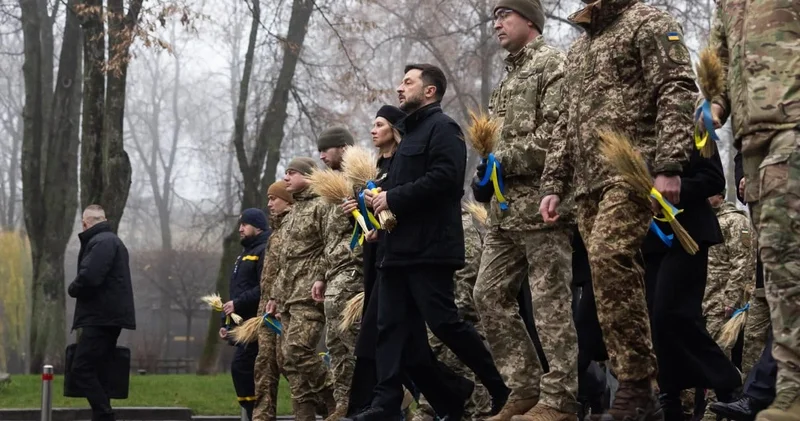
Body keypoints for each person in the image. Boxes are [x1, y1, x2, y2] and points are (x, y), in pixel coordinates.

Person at [538, 0, 699, 418]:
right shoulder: (579, 50)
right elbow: (564, 123)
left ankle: (636, 383)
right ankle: (649, 388)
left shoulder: (649, 21)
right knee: (611, 286)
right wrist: (554, 183)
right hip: (587, 187)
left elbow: (677, 87)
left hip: (633, 172)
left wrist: (669, 164)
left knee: (611, 260)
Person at [350, 63, 509, 421]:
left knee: (445, 324)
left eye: (408, 82)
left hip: (429, 250)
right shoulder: (408, 138)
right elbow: (402, 189)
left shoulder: (444, 129)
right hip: (396, 251)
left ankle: (498, 387)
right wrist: (380, 200)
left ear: (430, 91)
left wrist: (393, 197)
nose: (399, 88)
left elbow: (447, 181)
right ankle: (385, 402)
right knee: (389, 328)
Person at [470, 1, 577, 420]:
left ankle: (561, 399)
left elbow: (558, 136)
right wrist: (486, 173)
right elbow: (496, 144)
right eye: (495, 16)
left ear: (529, 21)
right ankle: (525, 388)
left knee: (550, 304)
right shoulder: (508, 75)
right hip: (504, 213)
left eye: (504, 16)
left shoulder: (553, 64)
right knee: (488, 295)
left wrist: (505, 160)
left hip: (543, 209)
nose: (496, 23)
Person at [701, 2, 800, 419]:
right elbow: (719, 63)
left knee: (788, 258)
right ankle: (785, 391)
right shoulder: (728, 4)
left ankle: (790, 393)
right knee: (776, 269)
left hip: (792, 127)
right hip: (752, 139)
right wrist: (715, 106)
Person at [641, 149, 741, 421]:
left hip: (689, 233)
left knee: (674, 313)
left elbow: (713, 178)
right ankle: (670, 398)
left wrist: (672, 188)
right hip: (650, 239)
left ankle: (728, 383)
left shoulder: (688, 118)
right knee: (656, 322)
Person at [265, 157, 337, 421]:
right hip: (288, 297)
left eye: (291, 172)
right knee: (290, 364)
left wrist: (320, 277)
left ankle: (333, 397)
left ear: (307, 176)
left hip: (308, 294)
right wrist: (275, 296)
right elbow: (286, 260)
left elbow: (330, 246)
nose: (286, 178)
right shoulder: (295, 212)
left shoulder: (321, 206)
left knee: (298, 349)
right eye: (285, 172)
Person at [67, 205, 136, 421]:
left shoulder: (101, 242)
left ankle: (105, 416)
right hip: (109, 316)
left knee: (81, 369)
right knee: (99, 369)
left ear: (85, 223)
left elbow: (90, 277)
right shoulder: (111, 240)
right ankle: (101, 416)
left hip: (101, 318)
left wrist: (73, 288)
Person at [219, 208, 269, 420]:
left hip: (257, 323)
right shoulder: (244, 254)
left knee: (242, 367)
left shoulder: (262, 251)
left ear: (257, 226)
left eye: (244, 224)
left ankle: (254, 413)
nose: (240, 229)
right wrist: (228, 325)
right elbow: (239, 290)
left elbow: (263, 288)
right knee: (243, 369)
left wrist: (237, 303)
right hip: (243, 324)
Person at [253, 182, 295, 421]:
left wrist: (279, 301)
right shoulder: (274, 233)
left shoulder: (291, 229)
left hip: (283, 307)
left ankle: (330, 407)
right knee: (264, 366)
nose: (269, 204)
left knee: (289, 364)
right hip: (266, 309)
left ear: (288, 201)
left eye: (274, 198)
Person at [705, 192, 756, 357]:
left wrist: (731, 300)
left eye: (709, 194)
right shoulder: (707, 219)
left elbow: (742, 261)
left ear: (719, 195)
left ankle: (723, 382)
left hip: (722, 300)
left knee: (718, 349)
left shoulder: (736, 221)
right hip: (705, 298)